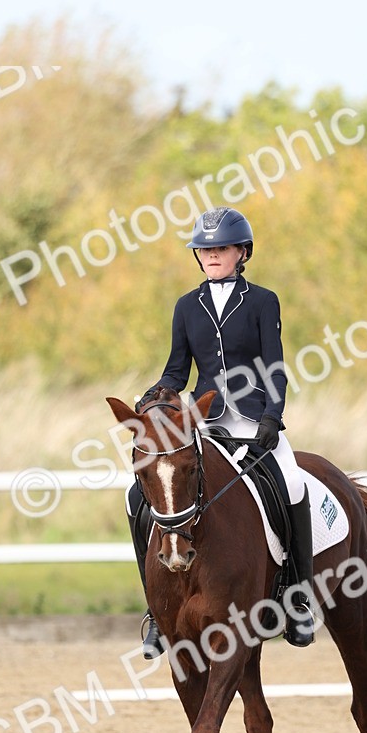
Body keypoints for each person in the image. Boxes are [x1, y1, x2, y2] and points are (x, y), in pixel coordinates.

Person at [125, 206, 314, 658]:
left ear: (241, 252)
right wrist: (155, 394)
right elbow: (177, 368)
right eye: (204, 249)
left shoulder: (263, 301)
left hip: (253, 420)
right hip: (204, 421)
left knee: (291, 483)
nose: (211, 255)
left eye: (221, 248)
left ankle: (299, 594)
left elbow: (275, 366)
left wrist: (272, 416)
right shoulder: (187, 306)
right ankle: (156, 610)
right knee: (136, 497)